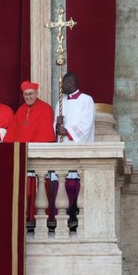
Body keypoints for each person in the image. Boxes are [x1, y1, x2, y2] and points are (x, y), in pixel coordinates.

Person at [5, 80, 55, 228]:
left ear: (36, 93)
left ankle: (40, 221)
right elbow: (12, 134)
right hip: (23, 155)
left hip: (38, 155)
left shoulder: (45, 109)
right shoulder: (20, 110)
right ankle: (24, 220)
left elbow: (46, 134)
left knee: (40, 191)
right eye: (26, 94)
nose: (28, 97)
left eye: (31, 94)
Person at [54, 72, 95, 229]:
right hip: (63, 148)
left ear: (70, 83)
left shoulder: (86, 100)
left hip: (79, 147)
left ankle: (76, 215)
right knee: (63, 181)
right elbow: (55, 129)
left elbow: (86, 124)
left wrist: (68, 132)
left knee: (77, 182)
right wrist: (56, 125)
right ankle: (64, 216)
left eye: (63, 84)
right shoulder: (60, 103)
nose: (61, 87)